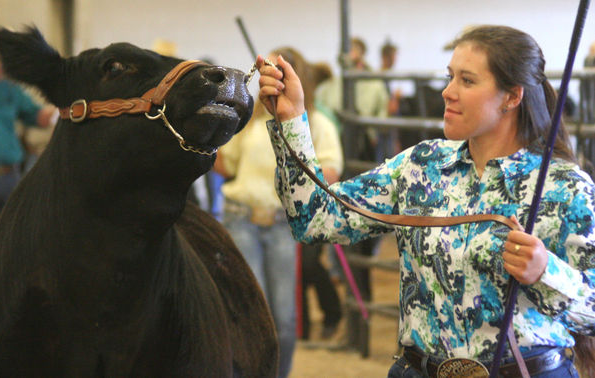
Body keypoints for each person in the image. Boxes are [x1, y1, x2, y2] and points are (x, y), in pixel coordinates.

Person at [257, 25, 595, 377]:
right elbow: (314, 218)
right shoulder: (421, 165)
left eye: (467, 80)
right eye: (450, 77)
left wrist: (545, 272)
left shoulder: (563, 188)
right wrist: (291, 118)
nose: (448, 92)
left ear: (511, 96)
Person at [214, 47, 343, 377]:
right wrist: (208, 133)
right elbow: (225, 164)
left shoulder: (316, 122)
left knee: (284, 318)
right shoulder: (252, 121)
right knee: (247, 311)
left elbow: (330, 171)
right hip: (241, 217)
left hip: (283, 223)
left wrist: (296, 170)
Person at [0, 28, 56, 255]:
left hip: (10, 177)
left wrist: (58, 110)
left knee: (15, 243)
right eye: (3, 62)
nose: (7, 69)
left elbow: (34, 115)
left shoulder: (7, 84)